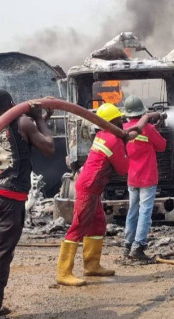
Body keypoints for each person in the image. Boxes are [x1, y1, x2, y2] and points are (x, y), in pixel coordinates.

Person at [0, 90, 55, 319]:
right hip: (9, 201)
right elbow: (48, 148)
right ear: (12, 103)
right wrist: (39, 118)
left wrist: (39, 121)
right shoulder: (24, 122)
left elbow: (19, 140)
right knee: (0, 257)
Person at [56, 103, 131, 286]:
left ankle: (92, 265)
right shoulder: (114, 140)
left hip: (92, 187)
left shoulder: (103, 134)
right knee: (79, 226)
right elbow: (123, 169)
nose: (123, 121)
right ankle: (64, 272)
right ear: (112, 121)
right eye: (120, 119)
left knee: (98, 225)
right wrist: (127, 145)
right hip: (89, 187)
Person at [122, 96, 166, 261]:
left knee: (132, 211)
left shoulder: (125, 129)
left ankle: (127, 244)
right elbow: (162, 146)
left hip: (132, 178)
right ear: (142, 112)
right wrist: (155, 129)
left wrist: (153, 127)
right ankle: (138, 247)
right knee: (145, 212)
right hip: (147, 177)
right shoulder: (147, 129)